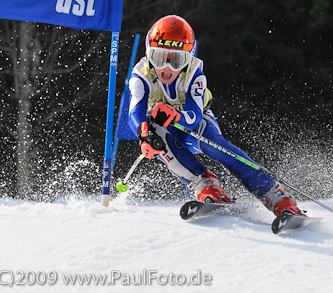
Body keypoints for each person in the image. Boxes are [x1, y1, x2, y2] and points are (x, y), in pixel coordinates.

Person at [127, 15, 305, 217]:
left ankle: (276, 197)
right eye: (159, 58)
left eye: (176, 60)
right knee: (155, 136)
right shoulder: (141, 75)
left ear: (188, 57)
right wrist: (144, 137)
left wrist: (176, 115)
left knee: (215, 147)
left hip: (196, 121)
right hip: (165, 128)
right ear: (148, 54)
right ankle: (205, 184)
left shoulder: (195, 73)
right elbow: (135, 113)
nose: (166, 68)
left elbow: (193, 116)